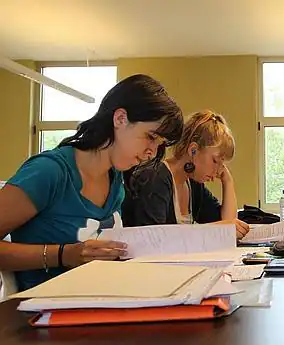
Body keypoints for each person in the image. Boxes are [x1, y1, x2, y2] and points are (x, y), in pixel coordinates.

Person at [0, 74, 184, 291]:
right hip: (41, 313)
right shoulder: (49, 172)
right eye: (151, 137)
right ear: (120, 119)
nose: (152, 152)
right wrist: (63, 254)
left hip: (97, 302)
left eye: (159, 145)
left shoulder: (116, 183)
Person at [122, 110, 249, 239]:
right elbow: (154, 239)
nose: (218, 171)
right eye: (215, 161)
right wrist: (215, 229)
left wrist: (227, 181)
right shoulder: (155, 177)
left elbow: (229, 228)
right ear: (193, 150)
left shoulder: (192, 184)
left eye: (222, 165)